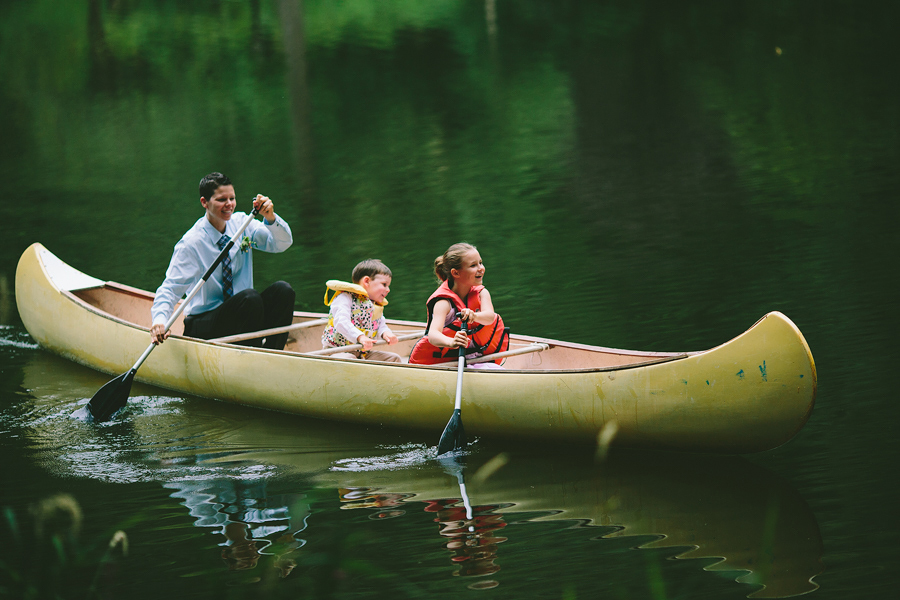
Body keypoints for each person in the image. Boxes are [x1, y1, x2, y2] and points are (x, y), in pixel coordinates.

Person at [150, 172, 295, 349]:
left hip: (244, 312)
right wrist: (159, 321)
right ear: (204, 202)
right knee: (250, 299)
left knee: (283, 291)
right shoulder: (191, 243)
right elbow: (170, 289)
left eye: (232, 198)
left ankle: (273, 354)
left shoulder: (243, 222)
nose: (229, 205)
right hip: (204, 323)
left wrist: (270, 218)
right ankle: (249, 354)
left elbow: (282, 243)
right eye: (221, 200)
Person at [408, 243, 508, 366]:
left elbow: (489, 317)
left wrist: (474, 316)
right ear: (455, 273)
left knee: (492, 369)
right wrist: (452, 342)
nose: (480, 268)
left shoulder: (482, 293)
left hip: (476, 358)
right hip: (448, 363)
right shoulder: (444, 303)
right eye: (473, 265)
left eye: (480, 263)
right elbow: (433, 335)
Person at [320, 259, 401, 362]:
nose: (388, 289)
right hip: (337, 351)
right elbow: (341, 322)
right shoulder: (345, 297)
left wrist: (386, 333)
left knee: (394, 359)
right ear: (366, 281)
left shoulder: (373, 304)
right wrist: (360, 337)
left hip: (362, 353)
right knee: (349, 359)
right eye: (384, 284)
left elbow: (380, 324)